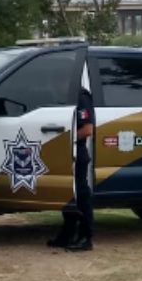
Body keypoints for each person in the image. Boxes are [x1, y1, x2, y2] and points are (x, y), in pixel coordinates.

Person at [48, 87, 95, 251]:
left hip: (76, 151)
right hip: (63, 152)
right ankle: (67, 235)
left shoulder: (80, 96)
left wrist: (62, 139)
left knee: (81, 193)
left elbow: (87, 129)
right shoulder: (61, 94)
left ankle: (85, 237)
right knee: (67, 195)